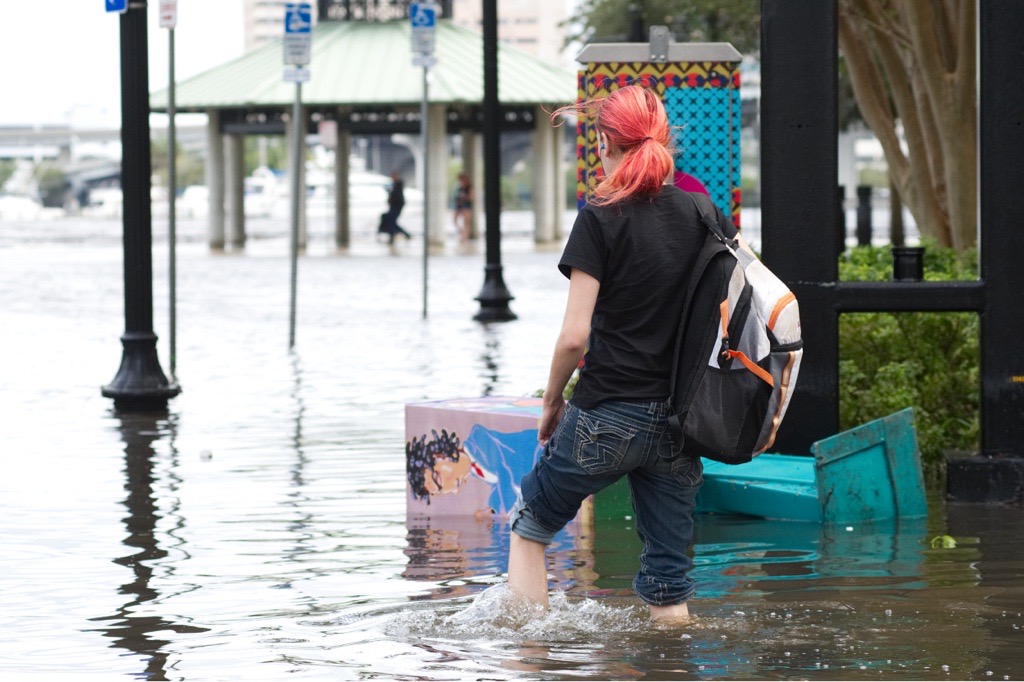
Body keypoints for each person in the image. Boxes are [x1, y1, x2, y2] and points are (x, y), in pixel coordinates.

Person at [505, 85, 741, 623]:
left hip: (607, 412)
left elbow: (574, 336)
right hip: (682, 420)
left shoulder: (599, 216)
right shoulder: (704, 213)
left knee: (531, 525)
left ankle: (526, 656)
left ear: (607, 141)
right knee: (668, 585)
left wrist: (551, 401)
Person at [378, 170, 411, 244]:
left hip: (397, 205)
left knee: (391, 222)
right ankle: (394, 236)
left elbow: (396, 194)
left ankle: (404, 235)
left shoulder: (399, 184)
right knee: (391, 221)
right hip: (393, 205)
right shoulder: (394, 184)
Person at [453, 171, 474, 244]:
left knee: (466, 222)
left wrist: (465, 197)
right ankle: (462, 233)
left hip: (466, 206)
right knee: (455, 220)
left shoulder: (469, 187)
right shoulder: (460, 188)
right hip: (459, 206)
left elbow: (471, 197)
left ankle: (464, 238)